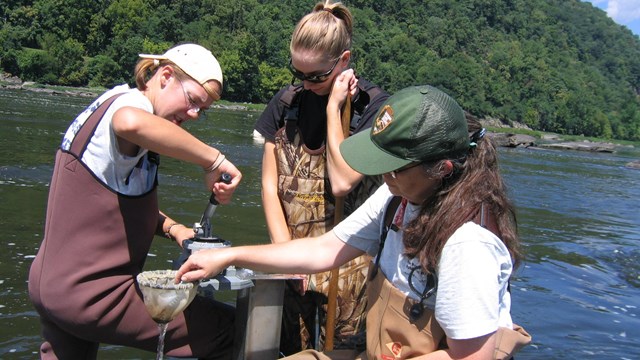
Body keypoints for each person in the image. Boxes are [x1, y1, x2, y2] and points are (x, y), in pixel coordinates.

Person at [177, 85, 531, 359]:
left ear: (442, 170)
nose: (379, 174)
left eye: (393, 164)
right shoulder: (398, 196)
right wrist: (229, 256)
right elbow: (324, 250)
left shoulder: (468, 244)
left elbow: (473, 355)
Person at [28, 43, 242, 359]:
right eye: (193, 101)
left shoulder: (112, 109)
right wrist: (213, 161)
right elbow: (130, 122)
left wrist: (173, 229)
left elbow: (112, 204)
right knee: (230, 329)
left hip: (54, 287)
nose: (194, 114)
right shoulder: (130, 105)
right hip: (95, 296)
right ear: (166, 76)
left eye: (203, 110)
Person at [253, 0, 390, 355]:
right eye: (298, 72)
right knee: (291, 351)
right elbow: (270, 186)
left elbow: (344, 182)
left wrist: (334, 108)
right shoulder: (286, 104)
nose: (305, 82)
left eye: (316, 76)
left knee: (345, 353)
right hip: (294, 254)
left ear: (343, 61)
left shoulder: (373, 110)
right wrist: (286, 256)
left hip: (351, 266)